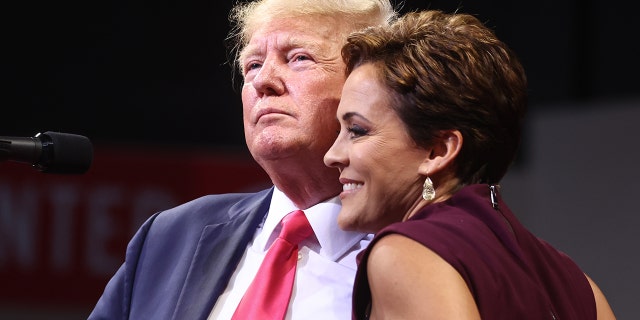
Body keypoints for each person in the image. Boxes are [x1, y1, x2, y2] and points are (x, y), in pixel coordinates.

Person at [88, 0, 397, 319]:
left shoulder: (420, 250)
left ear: (368, 86)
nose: (264, 81)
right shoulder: (169, 238)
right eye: (253, 65)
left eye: (299, 58)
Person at [324, 10, 617, 319]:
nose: (331, 155)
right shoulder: (582, 286)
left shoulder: (406, 254)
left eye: (357, 131)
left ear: (438, 150)